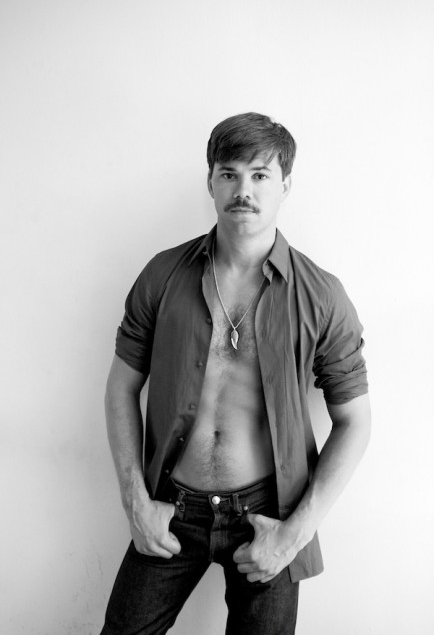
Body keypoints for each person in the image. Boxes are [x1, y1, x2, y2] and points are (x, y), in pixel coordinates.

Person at [100, 112, 371, 635]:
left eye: (260, 174)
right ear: (211, 182)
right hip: (170, 506)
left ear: (285, 185)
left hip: (268, 516)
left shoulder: (321, 295)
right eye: (229, 173)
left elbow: (355, 421)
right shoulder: (163, 274)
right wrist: (135, 502)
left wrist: (293, 535)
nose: (243, 190)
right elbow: (121, 387)